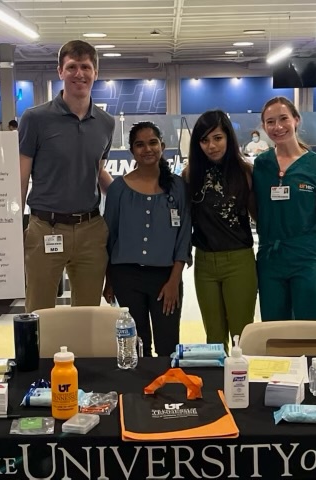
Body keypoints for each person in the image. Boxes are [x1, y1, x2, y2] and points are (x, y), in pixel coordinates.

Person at [18, 40, 115, 312]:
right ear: (60, 71)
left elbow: (97, 170)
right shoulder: (35, 119)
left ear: (95, 72)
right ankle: (38, 358)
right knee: (39, 313)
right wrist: (13, 228)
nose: (79, 74)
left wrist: (129, 196)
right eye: (72, 67)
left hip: (91, 230)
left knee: (87, 314)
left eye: (86, 67)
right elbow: (21, 177)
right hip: (44, 227)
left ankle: (79, 357)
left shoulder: (106, 123)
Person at [103, 122, 191, 357]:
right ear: (132, 150)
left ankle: (167, 390)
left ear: (162, 146)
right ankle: (137, 393)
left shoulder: (178, 187)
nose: (147, 149)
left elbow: (184, 237)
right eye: (139, 145)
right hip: (126, 277)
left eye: (152, 143)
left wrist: (174, 281)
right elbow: (109, 237)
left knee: (168, 344)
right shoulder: (118, 189)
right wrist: (109, 280)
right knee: (136, 344)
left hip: (165, 279)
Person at [253, 96, 316, 321]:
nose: (278, 126)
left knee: (310, 325)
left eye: (283, 119)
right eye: (270, 122)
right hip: (270, 258)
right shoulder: (261, 165)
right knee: (274, 327)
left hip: (307, 256)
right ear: (264, 127)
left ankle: (313, 359)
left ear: (296, 120)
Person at [184, 110, 257, 352]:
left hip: (239, 261)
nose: (211, 146)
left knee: (241, 336)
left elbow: (261, 217)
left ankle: (242, 388)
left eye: (217, 138)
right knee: (214, 338)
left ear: (228, 137)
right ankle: (217, 388)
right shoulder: (190, 174)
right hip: (204, 262)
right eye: (204, 140)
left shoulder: (246, 172)